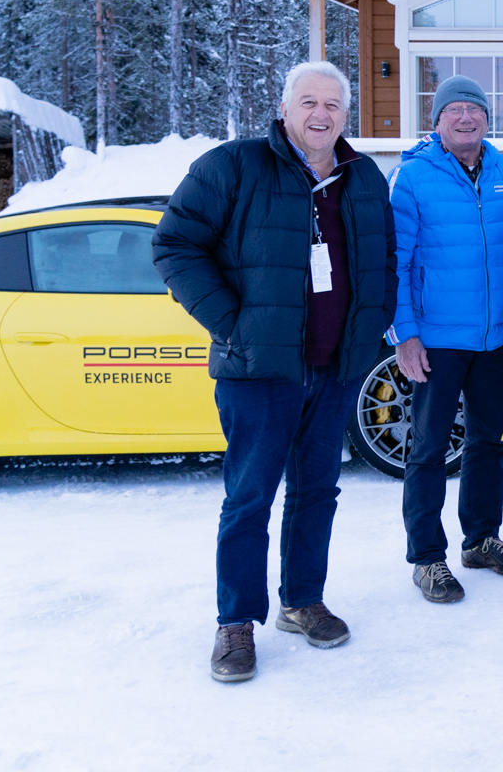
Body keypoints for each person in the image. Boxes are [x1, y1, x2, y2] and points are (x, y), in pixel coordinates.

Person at [153, 61, 396, 684]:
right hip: (258, 370)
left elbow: (383, 262)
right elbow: (175, 245)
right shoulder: (232, 166)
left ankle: (301, 601)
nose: (322, 114)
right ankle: (236, 622)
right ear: (286, 109)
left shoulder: (363, 176)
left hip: (336, 366)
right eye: (309, 102)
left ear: (347, 113)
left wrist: (369, 330)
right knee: (250, 497)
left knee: (317, 491)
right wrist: (232, 325)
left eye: (334, 104)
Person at [388, 74, 503, 605]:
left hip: (496, 337)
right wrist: (405, 334)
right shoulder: (412, 177)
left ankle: (480, 539)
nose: (466, 118)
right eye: (455, 111)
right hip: (438, 339)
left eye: (475, 110)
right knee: (428, 449)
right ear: (437, 122)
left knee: (487, 442)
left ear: (487, 120)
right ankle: (427, 558)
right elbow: (396, 263)